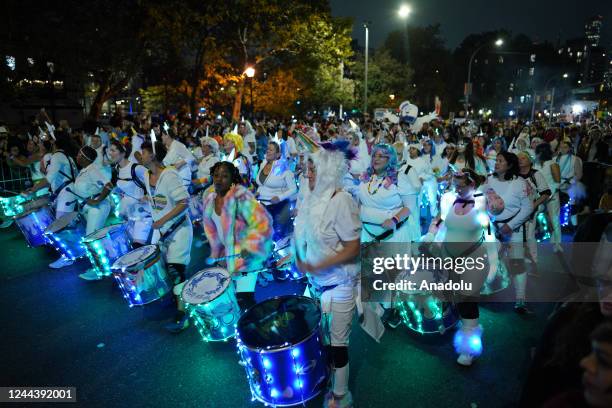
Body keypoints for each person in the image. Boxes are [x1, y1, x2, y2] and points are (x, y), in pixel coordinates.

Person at [294, 141, 361, 408]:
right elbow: (303, 234)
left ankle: (341, 396)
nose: (308, 174)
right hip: (315, 284)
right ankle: (323, 378)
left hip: (339, 284)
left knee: (337, 344)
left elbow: (354, 247)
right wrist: (298, 257)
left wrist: (320, 265)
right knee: (316, 338)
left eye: (313, 170)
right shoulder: (309, 198)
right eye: (307, 169)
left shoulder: (340, 200)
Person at [422, 168, 492, 366]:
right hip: (447, 258)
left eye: (462, 185)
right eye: (455, 185)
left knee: (467, 301)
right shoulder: (451, 200)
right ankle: (464, 325)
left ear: (472, 183)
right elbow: (443, 222)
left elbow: (493, 218)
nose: (458, 189)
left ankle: (469, 348)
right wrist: (431, 238)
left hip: (473, 259)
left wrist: (493, 263)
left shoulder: (482, 201)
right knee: (452, 297)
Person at [201, 161, 273, 311]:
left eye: (224, 176)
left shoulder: (242, 198)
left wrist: (250, 247)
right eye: (216, 175)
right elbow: (211, 231)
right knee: (232, 299)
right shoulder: (209, 200)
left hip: (247, 256)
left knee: (244, 299)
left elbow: (264, 222)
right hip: (227, 257)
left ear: (232, 179)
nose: (219, 179)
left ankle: (256, 329)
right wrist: (218, 254)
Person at [140, 141, 194, 333]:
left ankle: (183, 314)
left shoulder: (170, 175)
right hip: (161, 231)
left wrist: (161, 220)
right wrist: (149, 200)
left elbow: (184, 202)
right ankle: (175, 298)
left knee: (175, 270)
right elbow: (159, 200)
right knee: (157, 266)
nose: (140, 156)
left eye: (143, 152)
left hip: (179, 230)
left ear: (153, 155)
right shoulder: (147, 175)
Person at [484, 151, 533, 313]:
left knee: (517, 263)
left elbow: (528, 208)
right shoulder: (489, 179)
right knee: (489, 260)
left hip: (514, 230)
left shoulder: (520, 183)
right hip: (492, 229)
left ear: (510, 165)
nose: (496, 163)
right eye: (496, 160)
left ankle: (520, 300)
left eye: (500, 161)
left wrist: (510, 226)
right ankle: (484, 292)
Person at [23, 132, 79, 268]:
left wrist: (33, 189)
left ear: (54, 143)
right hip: (68, 192)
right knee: (66, 224)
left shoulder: (57, 156)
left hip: (66, 193)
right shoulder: (67, 156)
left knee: (61, 225)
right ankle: (73, 252)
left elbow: (49, 178)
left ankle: (68, 256)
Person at [71, 146, 113, 280]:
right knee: (93, 238)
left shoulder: (93, 170)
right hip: (89, 208)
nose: (76, 156)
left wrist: (97, 200)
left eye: (78, 154)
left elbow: (108, 186)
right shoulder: (85, 170)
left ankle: (100, 270)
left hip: (97, 208)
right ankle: (103, 265)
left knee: (91, 239)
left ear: (84, 157)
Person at [106, 139, 152, 247]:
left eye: (113, 150)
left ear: (122, 152)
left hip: (143, 212)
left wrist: (147, 195)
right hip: (129, 213)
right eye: (109, 151)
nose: (110, 154)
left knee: (138, 246)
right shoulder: (117, 169)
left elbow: (155, 181)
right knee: (131, 247)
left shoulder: (136, 168)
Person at [255, 141, 297, 245]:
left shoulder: (283, 168)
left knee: (276, 240)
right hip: (262, 205)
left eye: (271, 150)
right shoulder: (263, 164)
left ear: (278, 155)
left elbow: (293, 189)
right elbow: (261, 184)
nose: (268, 151)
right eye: (267, 149)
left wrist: (279, 197)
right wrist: (257, 192)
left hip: (277, 208)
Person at [517, 151, 551, 266]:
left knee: (529, 235)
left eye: (523, 158)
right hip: (516, 210)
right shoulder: (514, 175)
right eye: (518, 158)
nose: (520, 160)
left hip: (531, 209)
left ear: (530, 161)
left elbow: (546, 193)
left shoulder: (536, 174)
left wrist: (533, 206)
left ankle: (533, 260)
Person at [534, 143, 563, 251]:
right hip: (539, 196)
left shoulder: (553, 164)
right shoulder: (535, 164)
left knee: (554, 218)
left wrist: (549, 194)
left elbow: (557, 182)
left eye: (537, 151)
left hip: (552, 195)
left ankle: (557, 243)